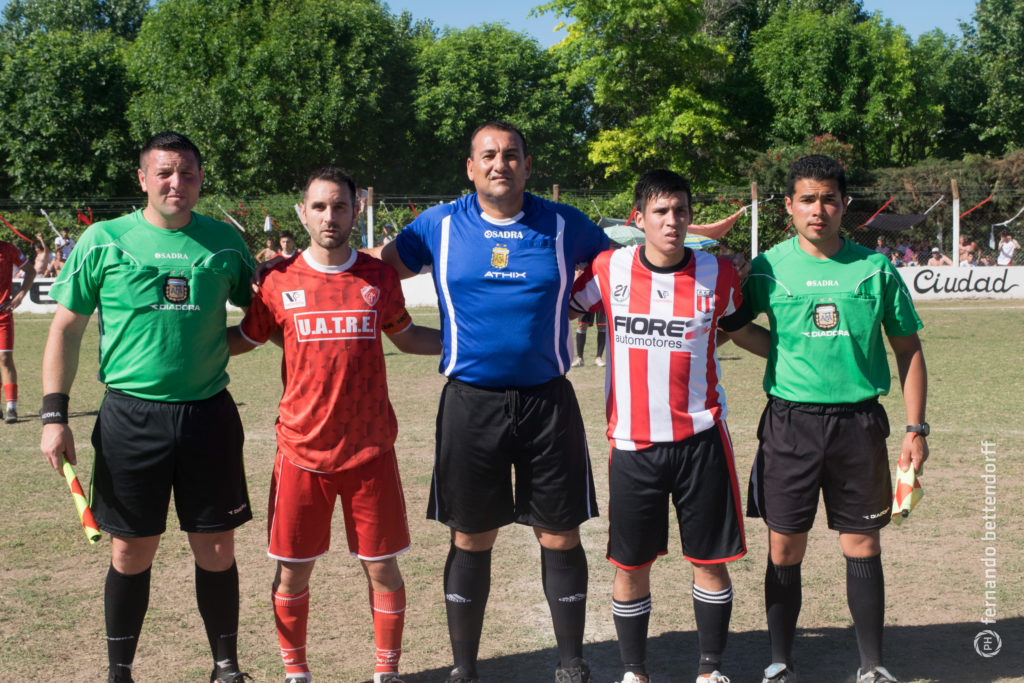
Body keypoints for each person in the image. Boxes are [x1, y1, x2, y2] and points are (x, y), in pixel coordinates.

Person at [371, 120, 610, 683]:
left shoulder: (564, 223)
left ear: (527, 165)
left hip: (548, 402)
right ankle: (464, 669)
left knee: (560, 532)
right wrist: (301, 266)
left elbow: (624, 269)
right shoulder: (439, 225)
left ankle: (571, 664)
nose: (500, 164)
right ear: (470, 167)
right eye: (488, 155)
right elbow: (373, 269)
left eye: (511, 154)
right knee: (471, 535)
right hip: (470, 404)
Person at [39, 131, 255, 683]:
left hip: (208, 416)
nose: (176, 183)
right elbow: (66, 329)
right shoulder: (103, 240)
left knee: (216, 548)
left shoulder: (225, 243)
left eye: (187, 173)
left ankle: (226, 667)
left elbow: (262, 317)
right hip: (131, 418)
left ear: (200, 179)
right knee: (131, 553)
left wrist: (212, 349)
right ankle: (120, 672)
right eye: (164, 173)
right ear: (143, 179)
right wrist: (54, 415)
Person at [228, 167, 441, 683]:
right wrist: (180, 341)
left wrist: (476, 340)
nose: (330, 216)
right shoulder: (277, 280)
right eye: (320, 207)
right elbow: (247, 339)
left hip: (371, 451)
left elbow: (407, 336)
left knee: (383, 566)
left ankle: (387, 671)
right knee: (293, 570)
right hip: (301, 451)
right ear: (302, 213)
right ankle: (295, 672)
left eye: (340, 206)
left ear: (356, 211)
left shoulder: (379, 278)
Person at [570, 170, 768, 683]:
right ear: (639, 219)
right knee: (631, 564)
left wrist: (797, 354)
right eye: (660, 211)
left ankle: (710, 670)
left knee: (710, 560)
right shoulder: (609, 268)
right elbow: (560, 309)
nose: (672, 221)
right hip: (633, 444)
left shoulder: (718, 273)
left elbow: (738, 329)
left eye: (680, 210)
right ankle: (634, 672)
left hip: (702, 441)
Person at [740, 155, 928, 683]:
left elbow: (908, 350)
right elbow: (736, 328)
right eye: (807, 199)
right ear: (789, 206)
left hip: (859, 425)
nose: (817, 209)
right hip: (789, 424)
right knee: (784, 545)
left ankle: (872, 665)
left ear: (844, 204)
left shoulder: (875, 268)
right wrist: (785, 353)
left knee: (862, 544)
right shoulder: (767, 267)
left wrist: (915, 429)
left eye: (828, 199)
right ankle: (780, 662)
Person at [0, 238, 35, 423]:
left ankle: (11, 408)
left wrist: (20, 296)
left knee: (5, 358)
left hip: (3, 315)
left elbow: (31, 271)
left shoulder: (8, 249)